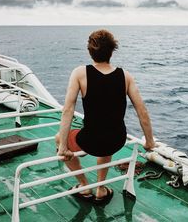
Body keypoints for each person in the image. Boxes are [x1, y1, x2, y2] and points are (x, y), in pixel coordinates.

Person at [55, 29, 155, 204]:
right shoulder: (125, 76)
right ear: (111, 51)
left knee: (58, 139)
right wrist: (149, 142)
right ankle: (101, 189)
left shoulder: (80, 73)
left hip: (90, 141)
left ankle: (85, 186)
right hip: (116, 140)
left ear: (90, 51)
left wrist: (63, 145)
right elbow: (142, 112)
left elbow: (68, 110)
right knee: (108, 134)